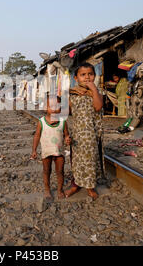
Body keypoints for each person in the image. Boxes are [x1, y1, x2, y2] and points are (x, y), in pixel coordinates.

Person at [65, 63, 104, 200]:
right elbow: (66, 112)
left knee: (90, 159)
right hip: (77, 134)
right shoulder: (72, 93)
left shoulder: (96, 93)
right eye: (83, 75)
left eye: (90, 74)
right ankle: (76, 184)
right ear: (76, 78)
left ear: (94, 76)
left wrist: (93, 89)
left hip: (92, 134)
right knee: (76, 160)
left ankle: (89, 186)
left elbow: (98, 107)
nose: (87, 77)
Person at [31, 94, 71, 200]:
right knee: (46, 170)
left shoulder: (63, 122)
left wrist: (67, 138)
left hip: (59, 152)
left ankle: (59, 190)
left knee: (60, 171)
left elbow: (66, 134)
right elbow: (37, 135)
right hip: (46, 151)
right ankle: (47, 189)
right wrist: (34, 150)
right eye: (50, 106)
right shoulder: (42, 122)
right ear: (45, 107)